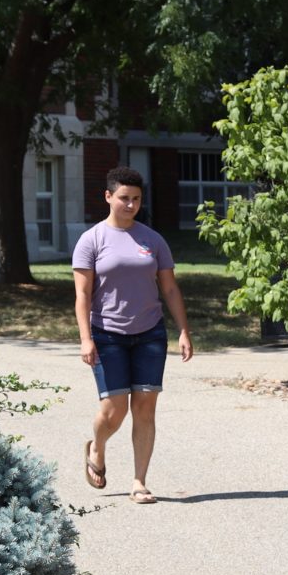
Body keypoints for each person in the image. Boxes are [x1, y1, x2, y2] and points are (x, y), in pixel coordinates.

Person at [72, 166, 193, 505]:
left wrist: (183, 330)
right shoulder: (91, 240)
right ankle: (97, 446)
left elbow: (169, 287)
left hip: (150, 334)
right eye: (124, 198)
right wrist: (86, 338)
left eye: (136, 199)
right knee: (114, 411)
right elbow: (82, 295)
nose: (130, 205)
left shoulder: (152, 240)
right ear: (108, 196)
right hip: (107, 334)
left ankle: (139, 482)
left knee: (145, 410)